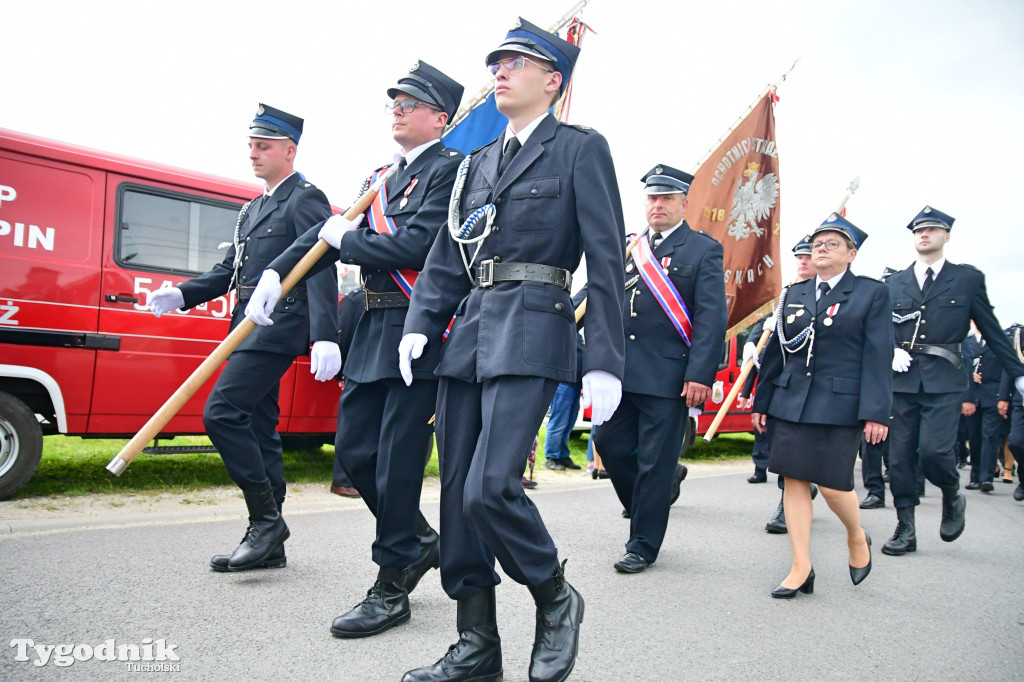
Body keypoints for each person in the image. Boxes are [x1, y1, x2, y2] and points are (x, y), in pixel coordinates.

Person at [397, 17, 626, 682]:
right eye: (496, 61)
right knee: (457, 500)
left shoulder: (581, 149)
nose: (499, 70)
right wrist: (421, 319)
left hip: (535, 323)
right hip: (470, 330)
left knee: (493, 486)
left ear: (553, 81)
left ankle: (556, 596)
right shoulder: (476, 161)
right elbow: (450, 251)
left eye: (516, 62)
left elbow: (607, 262)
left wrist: (605, 359)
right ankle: (477, 644)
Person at [246, 62, 465, 637]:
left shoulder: (451, 171)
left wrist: (353, 240)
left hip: (418, 332)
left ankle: (390, 586)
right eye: (394, 101)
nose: (397, 108)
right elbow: (325, 231)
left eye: (410, 102)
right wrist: (276, 269)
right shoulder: (380, 176)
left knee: (396, 465)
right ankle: (417, 540)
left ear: (440, 118)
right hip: (371, 329)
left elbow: (421, 242)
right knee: (357, 457)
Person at [146, 104, 339, 571]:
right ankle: (269, 540)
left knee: (222, 414)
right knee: (257, 425)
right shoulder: (253, 207)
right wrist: (182, 293)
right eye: (251, 145)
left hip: (278, 326)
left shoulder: (304, 198)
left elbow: (319, 260)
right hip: (245, 326)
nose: (253, 153)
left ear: (289, 150)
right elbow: (228, 270)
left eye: (264, 146)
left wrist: (326, 335)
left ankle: (265, 522)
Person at [590, 164, 726, 574]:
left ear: (684, 203)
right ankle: (657, 493)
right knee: (610, 445)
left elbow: (711, 318)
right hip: (622, 372)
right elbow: (595, 298)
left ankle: (643, 544)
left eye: (666, 198)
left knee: (653, 461)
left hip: (669, 376)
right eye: (652, 197)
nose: (658, 205)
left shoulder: (702, 250)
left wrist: (701, 374)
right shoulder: (630, 246)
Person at [752, 214, 892, 597]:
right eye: (817, 243)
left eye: (832, 243)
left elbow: (878, 355)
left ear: (852, 253)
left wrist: (876, 412)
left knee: (833, 486)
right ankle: (801, 565)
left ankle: (855, 534)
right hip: (792, 400)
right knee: (793, 480)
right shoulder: (793, 294)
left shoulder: (871, 293)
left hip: (840, 403)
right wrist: (762, 401)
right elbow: (779, 352)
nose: (822, 249)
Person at [883, 206, 1024, 556]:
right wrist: (889, 350)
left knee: (933, 451)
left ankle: (951, 492)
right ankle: (906, 526)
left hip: (944, 380)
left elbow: (991, 331)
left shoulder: (966, 280)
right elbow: (877, 328)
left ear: (947, 236)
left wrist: (1018, 375)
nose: (924, 235)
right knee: (898, 457)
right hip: (901, 380)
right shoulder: (894, 282)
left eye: (932, 229)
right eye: (918, 230)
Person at [740, 234, 820, 534]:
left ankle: (799, 495)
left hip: (815, 382)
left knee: (806, 448)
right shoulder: (785, 293)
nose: (803, 261)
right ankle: (791, 497)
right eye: (799, 256)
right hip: (784, 381)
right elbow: (763, 323)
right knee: (784, 445)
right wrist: (751, 342)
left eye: (808, 256)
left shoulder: (827, 293)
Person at [330, 288, 364, 499]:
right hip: (356, 369)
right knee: (351, 428)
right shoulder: (355, 299)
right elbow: (342, 336)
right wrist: (341, 373)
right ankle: (341, 480)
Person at [998, 324, 1024, 500]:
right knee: (1016, 442)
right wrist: (1004, 397)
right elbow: (1010, 366)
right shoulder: (1019, 335)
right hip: (1021, 399)